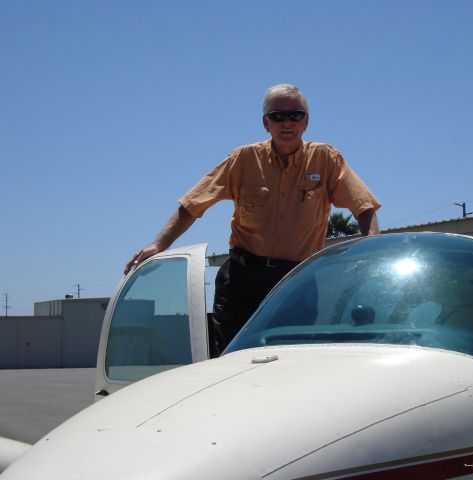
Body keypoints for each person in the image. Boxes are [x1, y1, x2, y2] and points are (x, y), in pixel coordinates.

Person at [125, 84, 380, 356]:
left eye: (294, 115)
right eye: (277, 116)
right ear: (265, 123)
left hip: (297, 282)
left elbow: (363, 207)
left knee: (293, 359)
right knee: (231, 360)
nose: (286, 123)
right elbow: (192, 205)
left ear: (306, 121)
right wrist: (158, 244)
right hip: (242, 279)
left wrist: (374, 250)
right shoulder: (242, 159)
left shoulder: (326, 159)